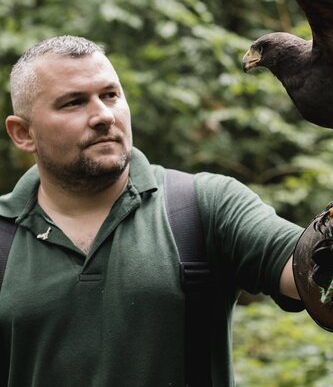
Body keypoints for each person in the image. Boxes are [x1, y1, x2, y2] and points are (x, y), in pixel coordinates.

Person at [0, 36, 305, 387]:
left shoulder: (203, 204)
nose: (102, 115)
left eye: (110, 95)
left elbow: (306, 271)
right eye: (73, 103)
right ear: (23, 134)